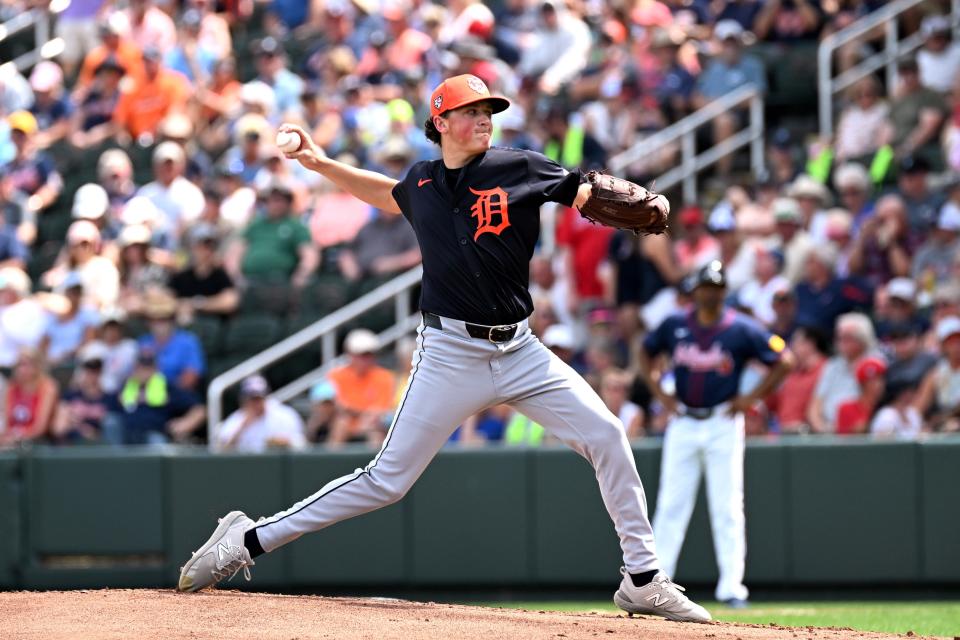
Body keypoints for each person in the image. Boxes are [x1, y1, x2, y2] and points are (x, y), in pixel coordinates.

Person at [178, 74, 709, 623]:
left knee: (607, 434)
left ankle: (643, 579)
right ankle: (248, 539)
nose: (484, 119)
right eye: (471, 111)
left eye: (489, 111)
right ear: (440, 123)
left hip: (521, 350)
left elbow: (582, 189)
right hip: (450, 353)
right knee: (386, 481)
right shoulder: (423, 182)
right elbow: (387, 194)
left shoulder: (517, 167)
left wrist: (627, 194)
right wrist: (321, 165)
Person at [638, 261, 793, 608]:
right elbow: (643, 350)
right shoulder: (676, 323)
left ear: (723, 291)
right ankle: (656, 587)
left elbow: (784, 359)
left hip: (722, 420)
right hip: (683, 420)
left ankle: (732, 588)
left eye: (716, 286)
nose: (710, 292)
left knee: (727, 506)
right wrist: (660, 394)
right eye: (705, 286)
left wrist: (752, 398)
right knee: (671, 505)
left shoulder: (740, 327)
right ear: (695, 290)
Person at [325, 329, 396, 448]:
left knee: (375, 434)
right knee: (341, 424)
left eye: (368, 354)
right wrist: (359, 414)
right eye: (360, 355)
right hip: (345, 423)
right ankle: (328, 465)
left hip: (373, 425)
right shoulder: (335, 375)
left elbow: (381, 410)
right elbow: (336, 407)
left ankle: (374, 466)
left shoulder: (385, 377)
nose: (365, 359)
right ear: (350, 354)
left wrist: (358, 414)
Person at [214, 375, 307, 453]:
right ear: (243, 400)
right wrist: (242, 428)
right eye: (252, 399)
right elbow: (222, 451)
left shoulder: (284, 415)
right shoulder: (237, 419)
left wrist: (285, 442)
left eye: (259, 398)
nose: (255, 403)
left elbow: (302, 445)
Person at [1, 348, 59, 447]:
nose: (21, 369)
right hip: (11, 441)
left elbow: (40, 427)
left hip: (38, 442)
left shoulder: (47, 387)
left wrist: (19, 437)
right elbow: (6, 422)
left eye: (26, 364)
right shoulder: (11, 388)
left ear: (37, 366)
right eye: (19, 365)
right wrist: (8, 438)